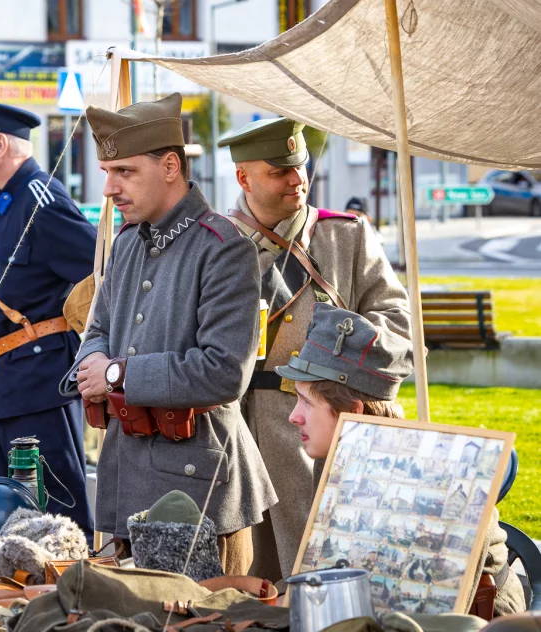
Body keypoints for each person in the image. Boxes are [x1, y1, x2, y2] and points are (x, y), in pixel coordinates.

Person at [59, 93, 277, 573]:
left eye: (125, 172)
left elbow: (223, 373)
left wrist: (115, 373)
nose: (111, 187)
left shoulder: (224, 248)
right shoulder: (127, 242)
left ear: (171, 165)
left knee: (203, 622)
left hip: (199, 487)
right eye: (107, 172)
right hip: (126, 473)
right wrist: (96, 362)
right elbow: (96, 329)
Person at [217, 117, 411, 581]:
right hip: (235, 433)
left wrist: (333, 349)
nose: (297, 178)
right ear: (244, 178)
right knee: (245, 579)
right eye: (280, 171)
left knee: (327, 569)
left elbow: (398, 328)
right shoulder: (215, 245)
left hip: (322, 430)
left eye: (300, 165)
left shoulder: (345, 236)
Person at [275, 303, 526, 616]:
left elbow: (418, 602)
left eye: (306, 403)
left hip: (480, 615)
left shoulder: (423, 474)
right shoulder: (344, 460)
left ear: (353, 412)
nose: (293, 417)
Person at [0, 96, 96, 540]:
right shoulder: (12, 200)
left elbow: (101, 267)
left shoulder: (38, 197)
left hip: (42, 380)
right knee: (12, 514)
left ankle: (68, 601)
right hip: (15, 379)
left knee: (58, 520)